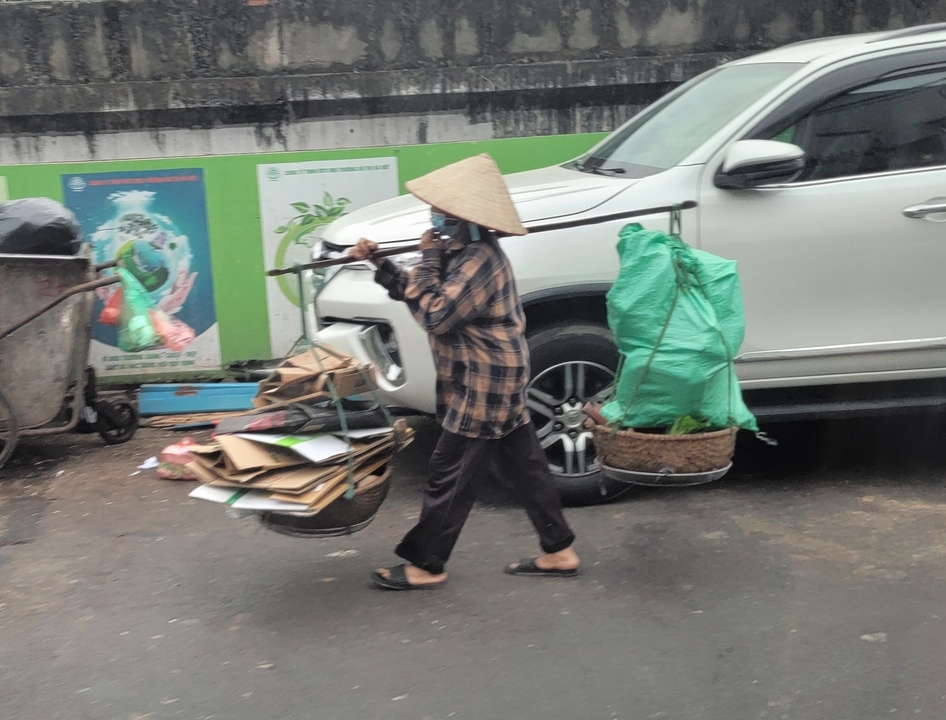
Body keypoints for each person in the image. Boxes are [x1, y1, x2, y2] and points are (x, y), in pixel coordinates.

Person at [349, 153, 580, 591]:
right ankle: (559, 549)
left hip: (485, 380)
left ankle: (426, 564)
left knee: (450, 470)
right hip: (491, 376)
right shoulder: (457, 252)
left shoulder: (479, 260)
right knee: (527, 467)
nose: (433, 216)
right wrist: (380, 263)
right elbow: (419, 292)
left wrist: (429, 259)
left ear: (462, 218)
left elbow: (435, 314)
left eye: (442, 211)